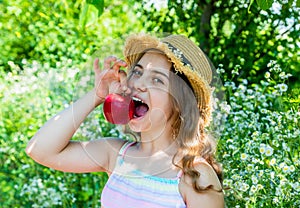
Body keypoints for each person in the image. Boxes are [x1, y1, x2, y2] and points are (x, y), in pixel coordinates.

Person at [26, 33, 224, 207]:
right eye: (137, 72)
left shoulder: (196, 177)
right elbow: (40, 150)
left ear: (180, 103)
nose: (138, 83)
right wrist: (97, 95)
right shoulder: (116, 155)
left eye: (157, 80)